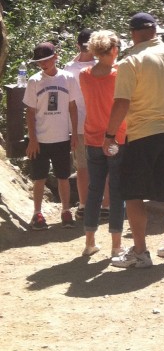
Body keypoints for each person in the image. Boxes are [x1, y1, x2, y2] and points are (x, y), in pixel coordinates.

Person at [105, 12, 164, 268]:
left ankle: (140, 252)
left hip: (143, 134)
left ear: (133, 33)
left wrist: (110, 135)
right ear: (155, 30)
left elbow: (121, 102)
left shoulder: (130, 61)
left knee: (133, 194)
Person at [79, 30, 126, 259]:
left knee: (94, 190)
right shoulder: (119, 75)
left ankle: (90, 242)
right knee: (117, 191)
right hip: (117, 138)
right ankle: (116, 245)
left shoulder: (84, 75)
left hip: (92, 139)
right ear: (114, 50)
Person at [23, 42, 79, 230]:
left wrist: (74, 134)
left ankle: (66, 211)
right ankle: (37, 213)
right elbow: (30, 112)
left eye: (46, 59)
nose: (43, 64)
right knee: (39, 177)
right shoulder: (34, 81)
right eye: (39, 62)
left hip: (62, 137)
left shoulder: (68, 78)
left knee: (63, 176)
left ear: (55, 57)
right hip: (40, 139)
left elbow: (72, 107)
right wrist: (32, 139)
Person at [66, 28, 95, 219]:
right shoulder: (105, 65)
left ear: (78, 45)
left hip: (76, 124)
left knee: (82, 166)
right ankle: (104, 204)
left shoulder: (68, 69)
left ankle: (84, 205)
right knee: (103, 165)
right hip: (100, 122)